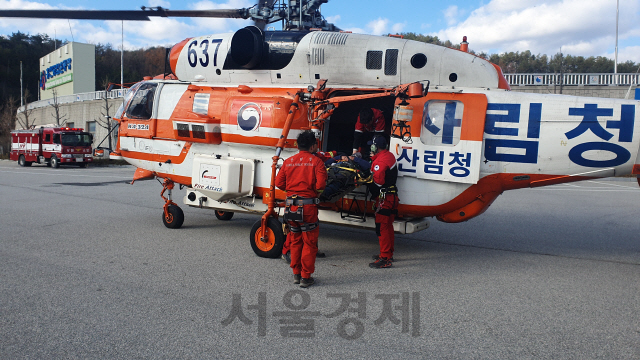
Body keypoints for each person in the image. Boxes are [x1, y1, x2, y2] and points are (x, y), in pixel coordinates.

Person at [276, 130, 327, 288]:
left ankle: (296, 275)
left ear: (298, 145)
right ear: (313, 146)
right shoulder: (316, 162)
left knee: (295, 241)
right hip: (308, 208)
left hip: (290, 207)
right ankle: (306, 277)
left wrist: (292, 191)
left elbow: (279, 183)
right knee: (309, 243)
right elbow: (320, 186)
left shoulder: (289, 161)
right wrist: (312, 193)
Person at [366, 136, 399, 269]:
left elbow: (378, 181)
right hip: (392, 197)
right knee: (388, 226)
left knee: (382, 227)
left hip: (385, 199)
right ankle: (388, 253)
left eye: (372, 146)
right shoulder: (389, 155)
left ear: (375, 147)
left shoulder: (382, 160)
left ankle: (385, 258)